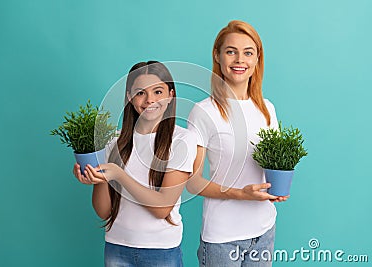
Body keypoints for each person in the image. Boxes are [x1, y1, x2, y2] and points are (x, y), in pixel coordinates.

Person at [73, 61, 197, 267]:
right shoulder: (114, 141)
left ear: (171, 95)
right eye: (141, 93)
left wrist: (119, 175)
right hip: (116, 246)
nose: (150, 100)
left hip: (161, 251)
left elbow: (162, 208)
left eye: (158, 92)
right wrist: (99, 178)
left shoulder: (182, 140)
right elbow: (104, 211)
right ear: (130, 97)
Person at [186, 20, 288, 267]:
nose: (239, 60)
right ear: (218, 56)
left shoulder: (267, 110)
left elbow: (273, 165)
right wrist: (240, 194)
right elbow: (192, 182)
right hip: (222, 238)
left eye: (248, 52)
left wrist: (280, 183)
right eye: (231, 51)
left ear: (257, 59)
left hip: (264, 231)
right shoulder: (204, 112)